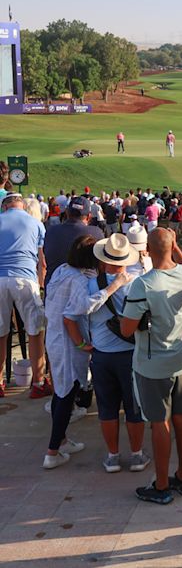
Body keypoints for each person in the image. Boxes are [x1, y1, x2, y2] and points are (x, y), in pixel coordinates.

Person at [120, 228, 182, 504]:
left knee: (159, 423)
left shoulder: (144, 284)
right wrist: (176, 247)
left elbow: (127, 329)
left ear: (147, 251)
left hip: (153, 364)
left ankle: (163, 485)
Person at [42, 235, 128, 468]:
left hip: (55, 338)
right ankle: (52, 451)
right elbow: (81, 307)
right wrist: (113, 287)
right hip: (69, 342)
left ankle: (61, 440)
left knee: (61, 391)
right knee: (66, 393)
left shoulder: (63, 270)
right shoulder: (79, 279)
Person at [78, 234, 150, 473]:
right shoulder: (136, 281)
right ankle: (137, 454)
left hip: (101, 353)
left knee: (108, 408)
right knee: (133, 407)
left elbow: (81, 311)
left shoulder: (90, 283)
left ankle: (113, 456)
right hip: (130, 352)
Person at [0, 193, 49, 397]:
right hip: (25, 279)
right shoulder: (36, 223)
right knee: (35, 332)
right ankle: (38, 382)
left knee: (0, 333)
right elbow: (42, 261)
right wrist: (41, 283)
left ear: (5, 207)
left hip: (0, 278)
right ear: (21, 206)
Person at [43, 195, 103, 287]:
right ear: (88, 217)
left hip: (53, 288)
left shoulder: (51, 231)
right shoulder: (96, 233)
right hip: (83, 292)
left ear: (67, 213)